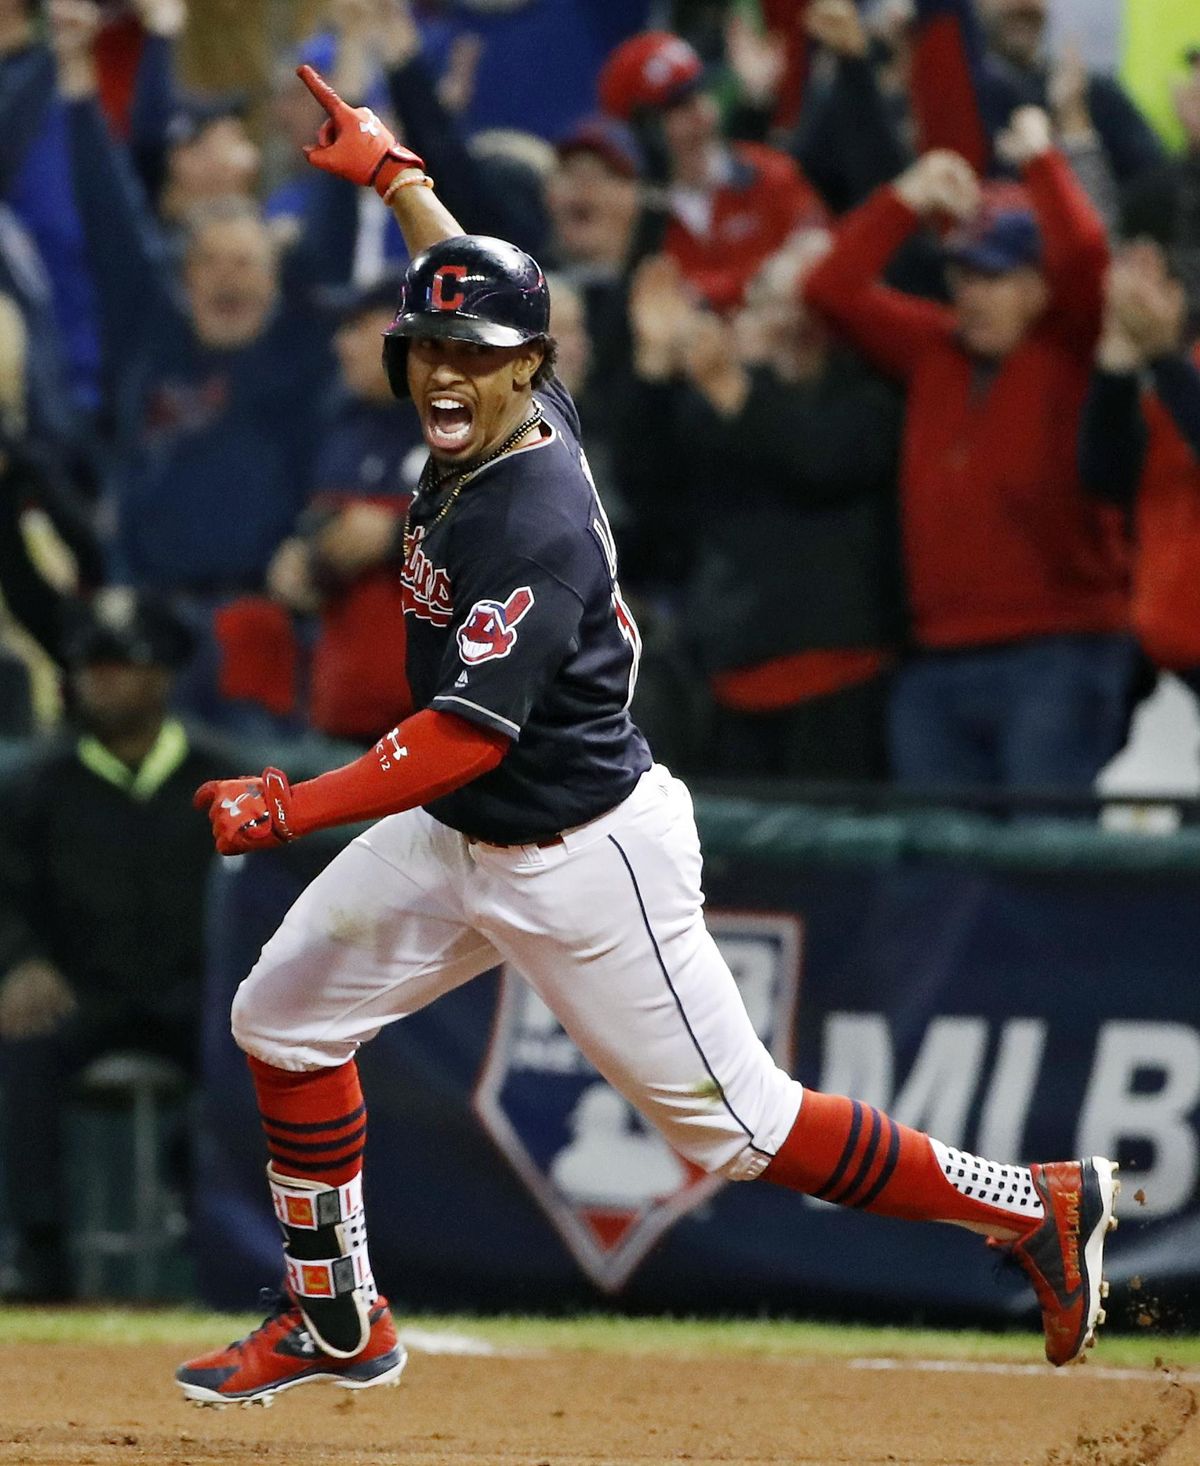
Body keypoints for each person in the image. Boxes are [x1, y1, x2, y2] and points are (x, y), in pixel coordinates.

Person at [174, 65, 1119, 1407]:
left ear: (532, 374)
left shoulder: (532, 516)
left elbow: (455, 736)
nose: (448, 371)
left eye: (476, 358)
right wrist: (394, 174)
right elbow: (466, 279)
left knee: (746, 1129)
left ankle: (1032, 1201)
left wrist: (290, 805)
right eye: (428, 351)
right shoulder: (515, 398)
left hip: (578, 850)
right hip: (462, 836)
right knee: (282, 1017)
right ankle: (337, 1314)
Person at [804, 110, 1136, 792]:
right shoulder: (935, 347)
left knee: (1044, 869)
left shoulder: (1073, 347)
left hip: (1059, 648)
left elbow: (1088, 262)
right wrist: (906, 197)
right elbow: (828, 290)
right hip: (938, 659)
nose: (973, 295)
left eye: (995, 276)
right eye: (963, 275)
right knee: (939, 879)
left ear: (1039, 285)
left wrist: (1045, 165)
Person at [0, 588, 225, 1300]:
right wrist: (19, 963)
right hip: (82, 995)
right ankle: (37, 1258)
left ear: (160, 675)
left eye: (119, 664)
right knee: (23, 1051)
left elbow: (267, 902)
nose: (99, 679)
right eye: (89, 664)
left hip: (199, 998)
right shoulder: (37, 786)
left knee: (265, 1057)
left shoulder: (220, 780)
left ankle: (236, 1252)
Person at [1079, 241, 1200, 708]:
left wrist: (1162, 356)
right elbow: (1105, 478)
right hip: (1168, 635)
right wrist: (1117, 362)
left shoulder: (1177, 370)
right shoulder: (1176, 372)